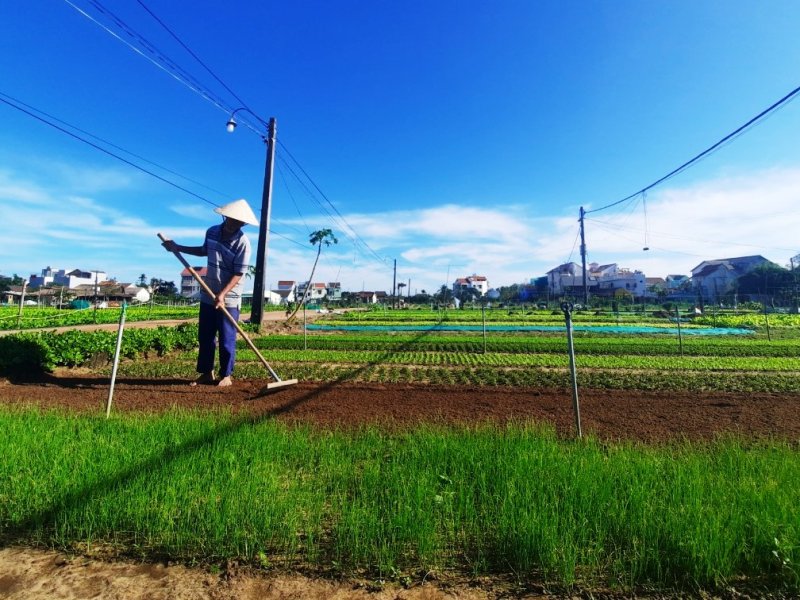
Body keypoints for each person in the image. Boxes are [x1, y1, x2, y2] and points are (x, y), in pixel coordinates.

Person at [161, 199, 258, 387]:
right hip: (208, 292)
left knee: (226, 337)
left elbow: (239, 273)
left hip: (229, 298)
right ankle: (207, 373)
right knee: (205, 336)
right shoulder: (212, 231)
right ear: (225, 216)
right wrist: (178, 247)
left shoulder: (243, 243)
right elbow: (204, 250)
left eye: (239, 222)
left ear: (243, 224)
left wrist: (222, 295)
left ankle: (226, 375)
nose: (234, 224)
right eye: (231, 220)